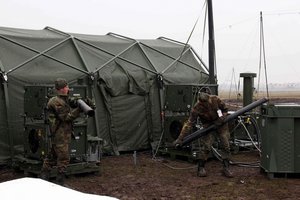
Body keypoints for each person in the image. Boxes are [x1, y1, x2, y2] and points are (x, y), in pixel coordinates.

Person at [173, 88, 233, 178]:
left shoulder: (215, 100)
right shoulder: (197, 107)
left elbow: (225, 109)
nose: (204, 104)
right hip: (208, 126)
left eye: (205, 102)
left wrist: (221, 118)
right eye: (202, 102)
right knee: (206, 146)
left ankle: (226, 167)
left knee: (225, 145)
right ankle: (201, 168)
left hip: (221, 124)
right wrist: (180, 138)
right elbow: (189, 123)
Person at [40, 78, 82, 185]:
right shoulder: (56, 101)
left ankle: (43, 179)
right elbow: (66, 117)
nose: (68, 89)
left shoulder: (61, 100)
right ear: (62, 88)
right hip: (60, 134)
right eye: (67, 87)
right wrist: (79, 109)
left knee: (52, 157)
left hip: (62, 133)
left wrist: (81, 102)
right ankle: (60, 182)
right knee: (63, 158)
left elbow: (69, 103)